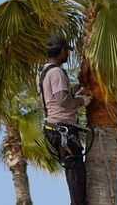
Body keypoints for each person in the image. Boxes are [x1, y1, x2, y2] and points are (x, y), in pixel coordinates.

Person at [37, 35, 92, 205]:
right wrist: (84, 101)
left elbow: (52, 98)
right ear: (61, 50)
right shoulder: (57, 72)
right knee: (77, 178)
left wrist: (75, 88)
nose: (67, 54)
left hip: (52, 129)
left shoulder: (42, 73)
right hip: (63, 131)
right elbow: (62, 100)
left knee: (74, 175)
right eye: (67, 50)